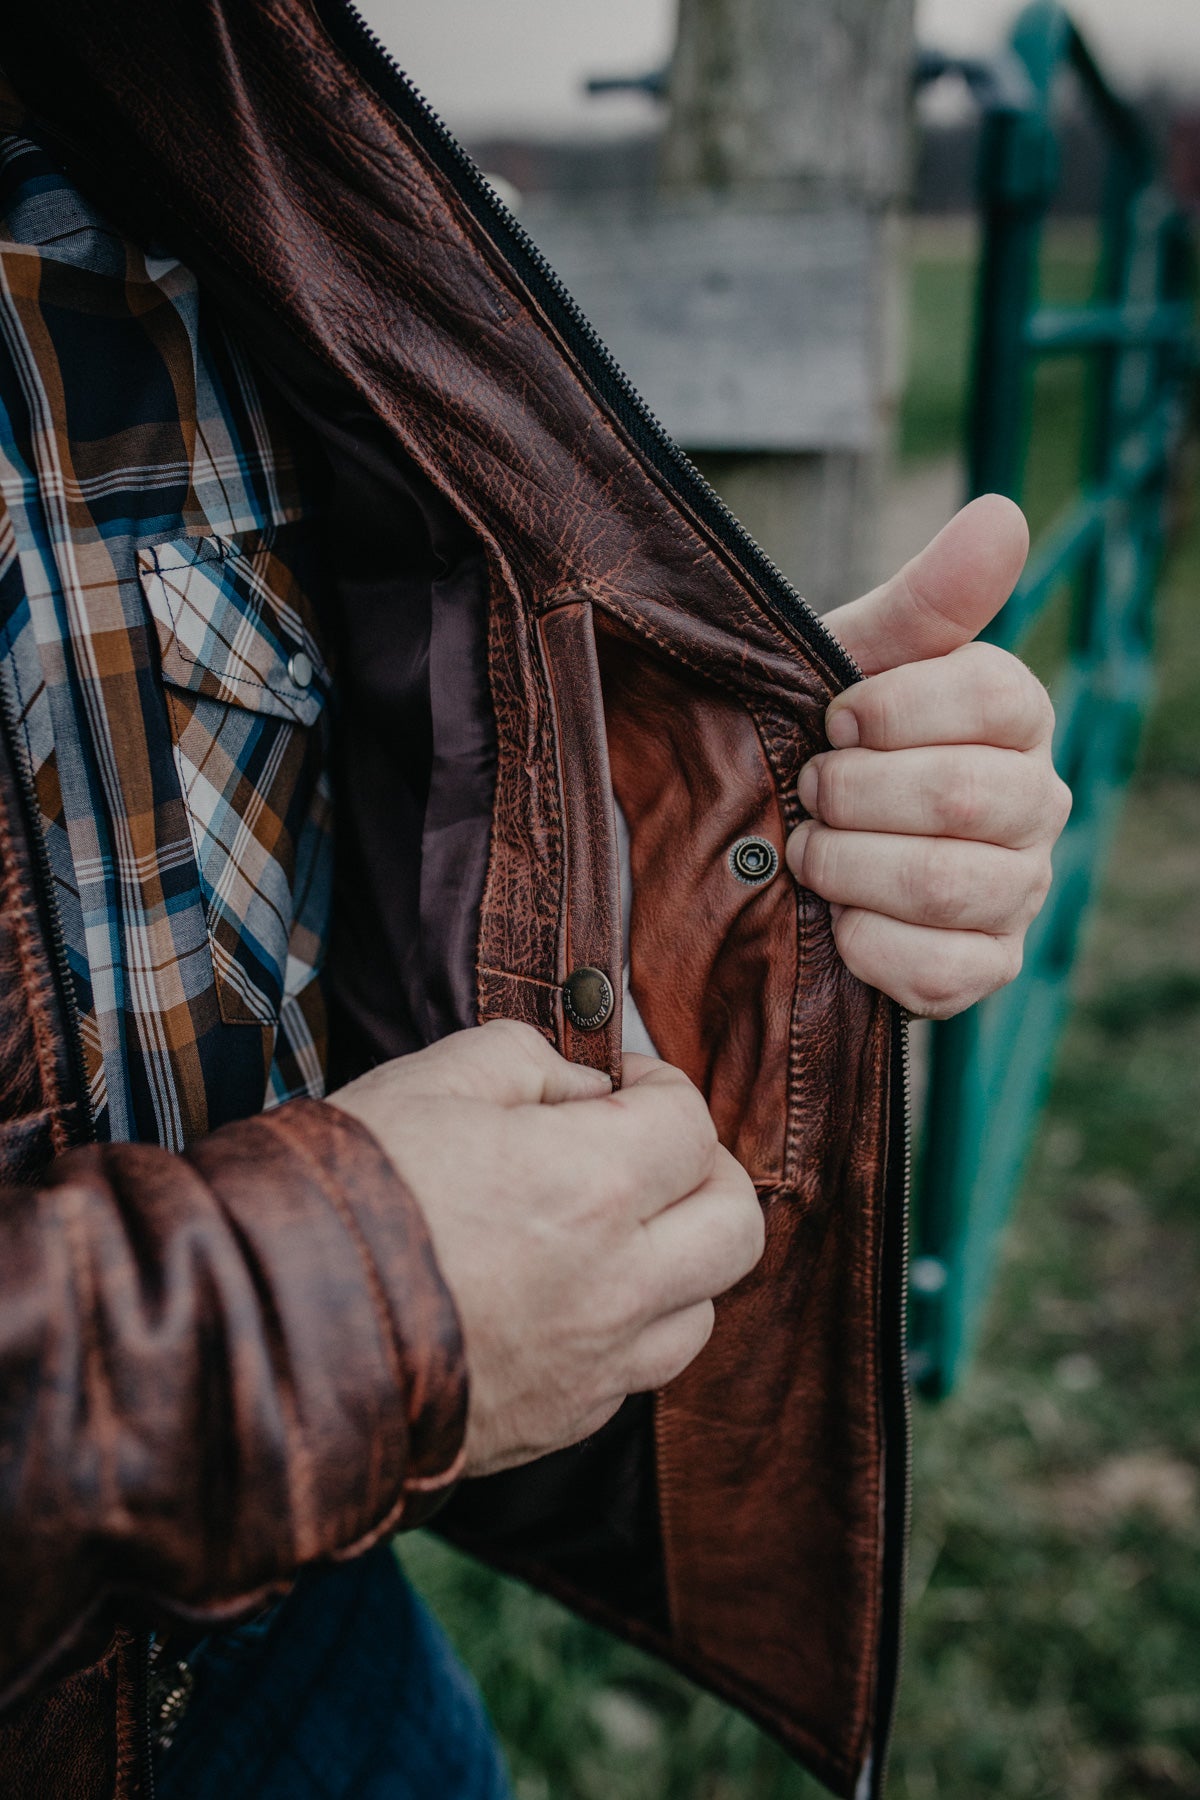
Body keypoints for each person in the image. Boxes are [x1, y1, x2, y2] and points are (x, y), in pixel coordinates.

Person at [0, 10, 1070, 1800]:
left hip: (299, 1594)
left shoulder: (165, 141)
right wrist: (358, 1309)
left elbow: (254, 834)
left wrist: (732, 833)